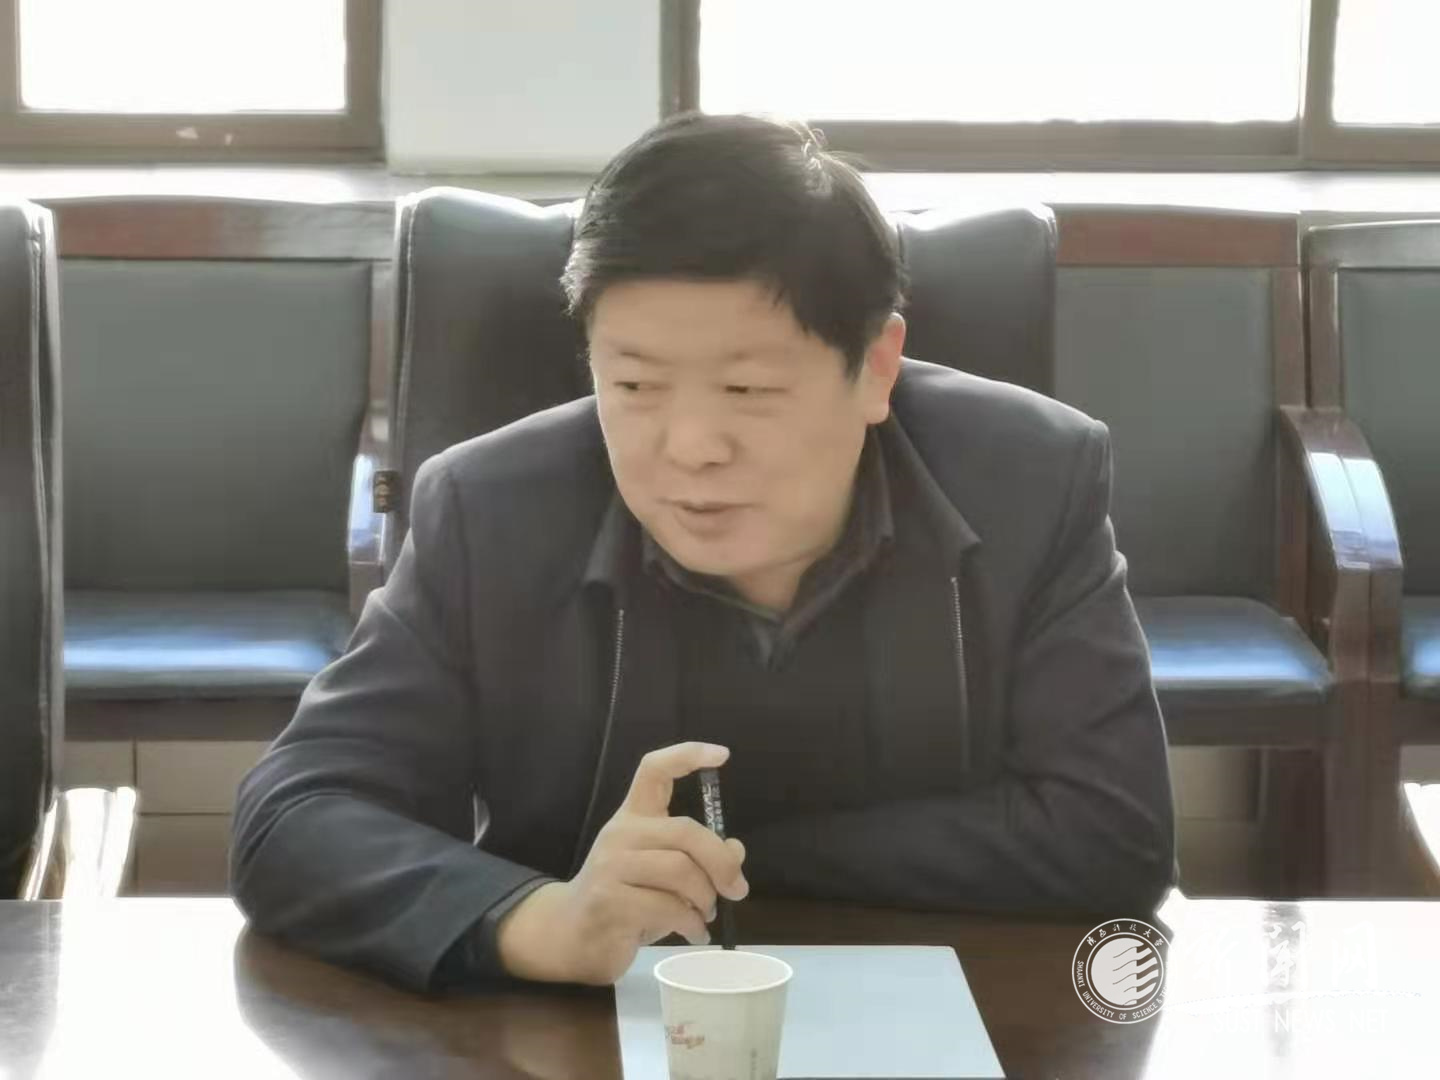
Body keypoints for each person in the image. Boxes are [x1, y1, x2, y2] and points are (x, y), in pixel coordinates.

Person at [231, 112, 1175, 993]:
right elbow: (294, 818)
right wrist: (543, 920)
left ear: (876, 367)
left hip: (958, 1005)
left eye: (747, 390)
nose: (689, 447)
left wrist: (725, 856)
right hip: (582, 1024)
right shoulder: (488, 510)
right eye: (634, 385)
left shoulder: (1031, 480)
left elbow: (1112, 838)